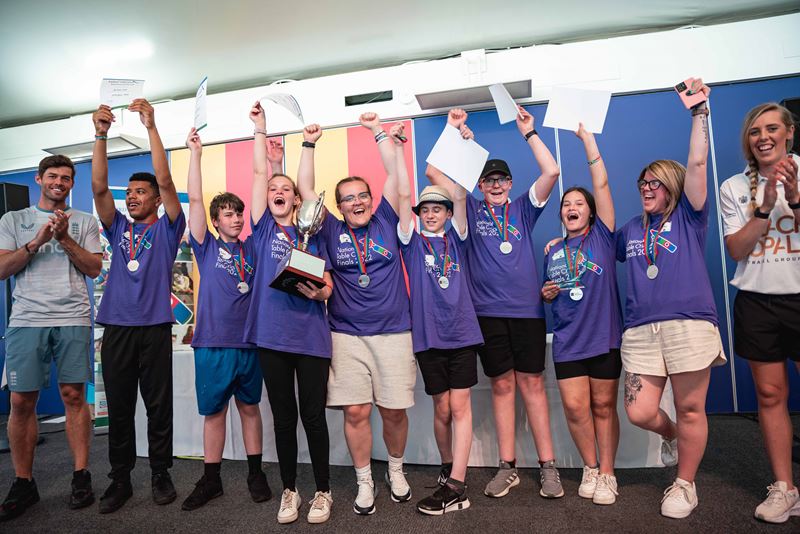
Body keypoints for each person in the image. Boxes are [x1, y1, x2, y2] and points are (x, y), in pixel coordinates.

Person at [427, 107, 563, 499]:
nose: (496, 184)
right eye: (489, 180)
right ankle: (508, 467)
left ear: (510, 182)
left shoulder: (522, 208)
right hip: (487, 314)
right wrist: (456, 140)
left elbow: (551, 173)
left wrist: (529, 133)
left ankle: (548, 466)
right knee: (503, 387)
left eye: (502, 179)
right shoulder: (467, 209)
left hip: (527, 314)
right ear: (480, 184)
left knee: (533, 386)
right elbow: (435, 175)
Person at [616, 81, 725, 519]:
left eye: (656, 183)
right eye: (643, 182)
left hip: (690, 324)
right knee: (640, 410)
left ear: (673, 187)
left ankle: (684, 484)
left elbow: (698, 161)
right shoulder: (630, 230)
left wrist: (699, 112)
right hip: (641, 329)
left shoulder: (689, 217)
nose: (647, 188)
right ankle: (676, 436)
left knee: (691, 405)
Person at [297, 113, 415, 516]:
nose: (357, 202)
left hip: (394, 331)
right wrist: (309, 144)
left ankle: (395, 471)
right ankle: (365, 480)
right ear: (339, 206)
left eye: (362, 195)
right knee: (356, 410)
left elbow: (397, 182)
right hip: (345, 333)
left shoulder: (384, 219)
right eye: (348, 198)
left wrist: (378, 132)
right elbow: (306, 191)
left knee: (394, 410)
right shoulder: (329, 229)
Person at [91, 100, 186, 513]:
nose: (131, 198)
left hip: (153, 328)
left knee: (158, 405)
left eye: (139, 192)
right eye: (129, 193)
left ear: (155, 199)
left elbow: (166, 180)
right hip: (116, 328)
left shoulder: (168, 228)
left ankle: (160, 472)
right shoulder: (117, 230)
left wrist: (151, 127)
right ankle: (120, 479)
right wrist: (101, 135)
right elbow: (98, 190)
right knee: (121, 406)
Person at [245, 102, 335, 524]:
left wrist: (320, 294)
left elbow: (329, 286)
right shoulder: (263, 227)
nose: (278, 191)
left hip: (312, 338)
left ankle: (322, 491)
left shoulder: (313, 234)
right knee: (283, 419)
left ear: (297, 199)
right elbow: (261, 174)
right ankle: (289, 490)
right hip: (271, 337)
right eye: (273, 189)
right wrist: (261, 130)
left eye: (287, 189)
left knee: (314, 418)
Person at [0, 155, 102, 521]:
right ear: (39, 178)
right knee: (21, 402)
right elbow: (1, 270)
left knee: (74, 395)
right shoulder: (13, 220)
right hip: (27, 320)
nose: (59, 182)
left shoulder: (85, 221)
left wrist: (64, 240)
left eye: (66, 177)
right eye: (53, 176)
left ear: (72, 183)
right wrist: (37, 241)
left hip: (73, 317)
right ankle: (24, 482)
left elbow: (94, 268)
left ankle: (80, 475)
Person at [180, 128, 270, 511]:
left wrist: (260, 136)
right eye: (228, 214)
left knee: (250, 409)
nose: (235, 218)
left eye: (239, 213)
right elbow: (196, 198)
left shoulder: (253, 246)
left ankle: (255, 472)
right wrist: (195, 155)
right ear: (216, 221)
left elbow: (260, 181)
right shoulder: (205, 245)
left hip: (249, 342)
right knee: (214, 413)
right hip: (213, 343)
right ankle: (211, 479)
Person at [395, 120, 482, 515]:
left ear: (447, 213)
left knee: (460, 408)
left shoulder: (458, 236)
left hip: (461, 333)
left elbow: (461, 192)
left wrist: (464, 140)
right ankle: (448, 470)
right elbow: (400, 195)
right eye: (425, 209)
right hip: (429, 336)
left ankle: (459, 486)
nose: (431, 214)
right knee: (441, 409)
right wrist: (396, 146)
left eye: (438, 209)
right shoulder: (411, 240)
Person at [719, 102, 800, 524]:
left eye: (772, 129)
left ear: (789, 132)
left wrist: (796, 198)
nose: (763, 137)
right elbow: (736, 249)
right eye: (755, 132)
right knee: (770, 396)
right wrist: (765, 208)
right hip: (756, 300)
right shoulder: (734, 186)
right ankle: (785, 488)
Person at [541, 125, 622, 505]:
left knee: (604, 407)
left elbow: (602, 184)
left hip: (603, 337)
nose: (571, 208)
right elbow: (550, 292)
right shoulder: (553, 251)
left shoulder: (603, 237)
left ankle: (608, 473)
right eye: (566, 205)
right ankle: (590, 466)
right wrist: (545, 292)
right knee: (575, 407)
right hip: (569, 341)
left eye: (579, 203)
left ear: (591, 211)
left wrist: (588, 142)